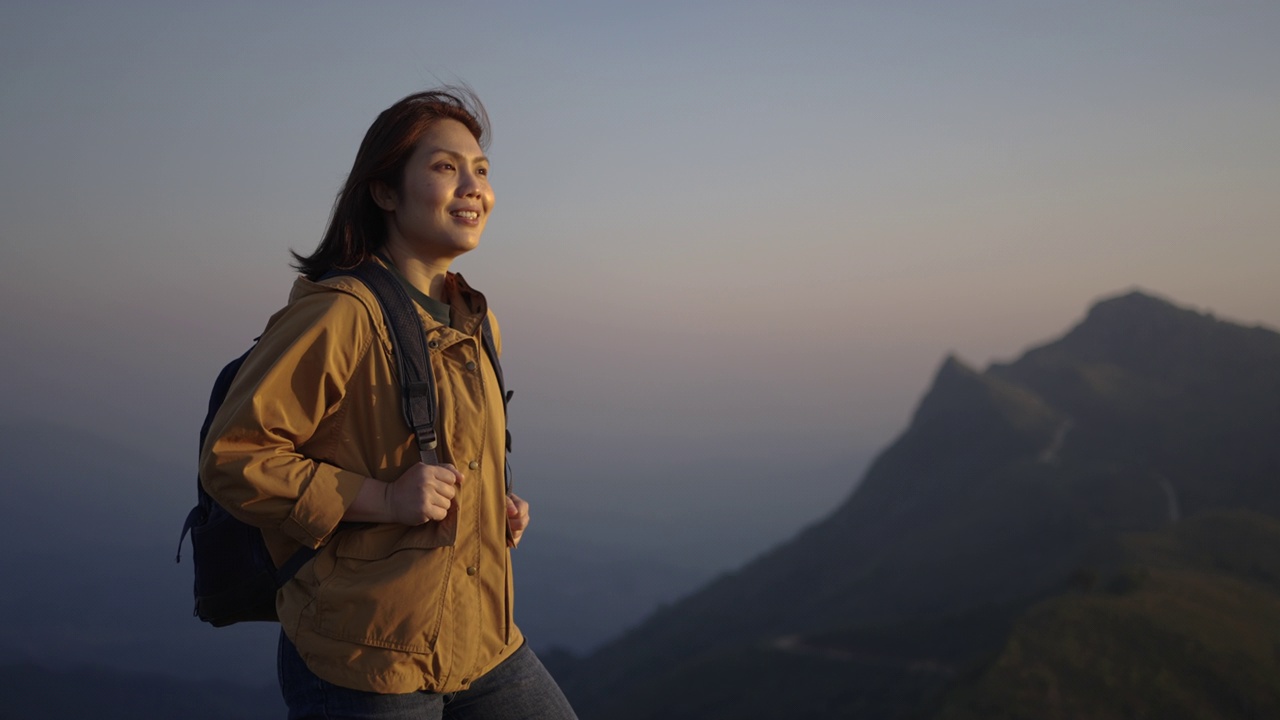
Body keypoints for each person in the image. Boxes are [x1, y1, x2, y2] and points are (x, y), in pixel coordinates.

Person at [200, 88, 577, 719]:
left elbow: (427, 455)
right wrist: (384, 499)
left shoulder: (474, 320)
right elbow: (235, 458)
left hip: (481, 640)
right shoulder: (340, 314)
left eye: (480, 171)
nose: (472, 187)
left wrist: (493, 507)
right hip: (368, 658)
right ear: (384, 192)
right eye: (443, 167)